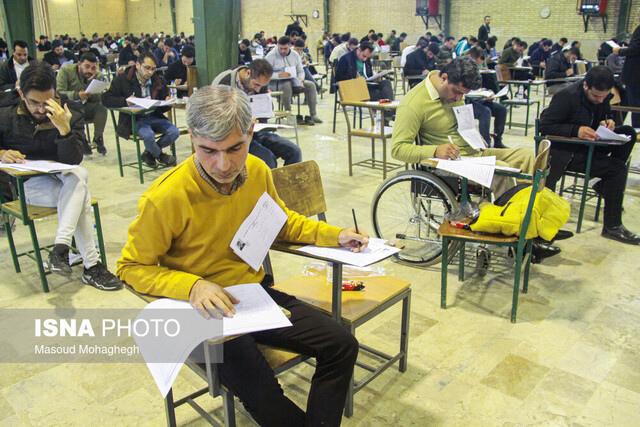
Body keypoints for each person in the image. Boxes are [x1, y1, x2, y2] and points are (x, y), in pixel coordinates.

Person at [117, 84, 365, 425]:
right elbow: (130, 267)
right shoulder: (166, 198)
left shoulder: (257, 171)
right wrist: (192, 287)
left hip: (253, 298)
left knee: (341, 344)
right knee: (268, 399)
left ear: (251, 132)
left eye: (235, 148)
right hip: (202, 316)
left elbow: (282, 223)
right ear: (190, 137)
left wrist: (336, 235)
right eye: (208, 151)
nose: (223, 164)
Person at [0, 63, 123, 290]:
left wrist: (64, 130)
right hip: (29, 185)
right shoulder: (5, 113)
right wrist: (1, 153)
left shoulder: (70, 111)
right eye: (33, 102)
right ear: (21, 94)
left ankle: (62, 250)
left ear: (55, 93)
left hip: (64, 180)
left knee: (78, 175)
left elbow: (73, 160)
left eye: (46, 102)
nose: (40, 109)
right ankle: (90, 265)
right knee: (81, 194)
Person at [539, 66, 639, 245]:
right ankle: (612, 226)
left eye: (604, 96)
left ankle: (605, 185)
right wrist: (575, 130)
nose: (600, 100)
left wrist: (607, 121)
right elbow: (545, 127)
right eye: (596, 96)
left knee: (629, 133)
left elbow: (605, 112)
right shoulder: (566, 96)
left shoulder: (602, 97)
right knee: (617, 170)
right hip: (567, 152)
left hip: (590, 145)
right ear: (586, 85)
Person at [212, 59, 302, 168]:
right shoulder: (224, 81)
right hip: (234, 136)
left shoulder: (260, 83)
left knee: (295, 151)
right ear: (248, 73)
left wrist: (261, 120)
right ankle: (267, 184)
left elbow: (263, 113)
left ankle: (287, 185)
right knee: (267, 159)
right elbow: (216, 117)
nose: (259, 89)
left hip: (256, 131)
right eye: (256, 84)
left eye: (262, 86)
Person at [102, 52, 179, 168]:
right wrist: (125, 101)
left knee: (174, 132)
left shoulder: (158, 80)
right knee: (148, 135)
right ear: (137, 65)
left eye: (153, 69)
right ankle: (160, 155)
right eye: (147, 68)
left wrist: (167, 102)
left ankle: (149, 153)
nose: (150, 72)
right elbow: (105, 99)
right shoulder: (123, 80)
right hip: (134, 119)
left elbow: (162, 101)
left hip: (154, 116)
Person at [56, 52, 108, 155]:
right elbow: (59, 93)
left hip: (86, 106)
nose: (89, 70)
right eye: (87, 67)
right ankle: (82, 140)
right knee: (75, 112)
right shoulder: (65, 72)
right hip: (70, 107)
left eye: (93, 68)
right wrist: (76, 95)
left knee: (102, 108)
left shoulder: (97, 75)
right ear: (79, 64)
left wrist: (92, 83)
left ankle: (98, 137)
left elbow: (97, 99)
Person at [265, 36, 321, 126]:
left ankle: (313, 114)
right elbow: (265, 74)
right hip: (275, 83)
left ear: (290, 46)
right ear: (278, 46)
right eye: (281, 48)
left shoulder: (295, 55)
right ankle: (289, 113)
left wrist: (301, 80)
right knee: (286, 85)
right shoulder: (271, 56)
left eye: (285, 49)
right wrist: (279, 75)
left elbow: (300, 71)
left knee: (311, 85)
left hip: (293, 81)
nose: (283, 51)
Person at [467, 46, 507, 148]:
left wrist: (486, 93)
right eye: (476, 63)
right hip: (465, 102)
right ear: (470, 57)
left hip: (478, 99)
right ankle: (486, 145)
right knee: (485, 112)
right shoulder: (462, 69)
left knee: (501, 109)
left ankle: (498, 140)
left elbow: (476, 88)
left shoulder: (476, 70)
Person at [613, 6, 640, 129]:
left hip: (635, 75)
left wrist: (620, 51)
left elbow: (636, 49)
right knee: (630, 100)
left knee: (635, 104)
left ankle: (637, 128)